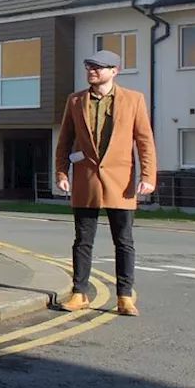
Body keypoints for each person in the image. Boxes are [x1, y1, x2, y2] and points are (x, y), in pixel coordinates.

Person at [55, 50, 156, 316]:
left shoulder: (134, 100)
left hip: (121, 183)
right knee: (82, 240)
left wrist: (148, 177)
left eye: (99, 67)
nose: (92, 71)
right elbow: (65, 140)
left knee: (123, 241)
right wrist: (61, 173)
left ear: (115, 71)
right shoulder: (75, 100)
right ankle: (80, 293)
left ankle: (124, 297)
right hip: (86, 180)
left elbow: (144, 142)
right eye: (89, 66)